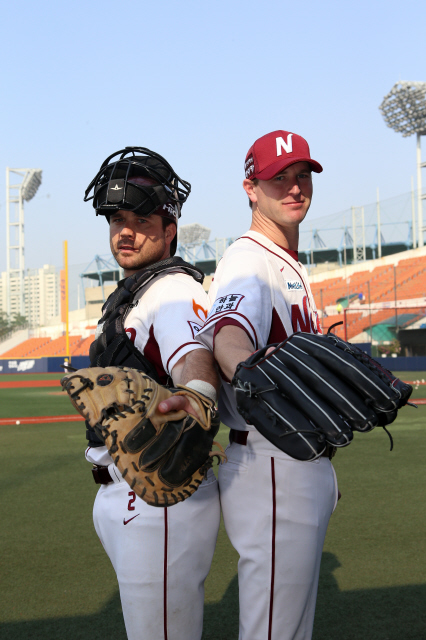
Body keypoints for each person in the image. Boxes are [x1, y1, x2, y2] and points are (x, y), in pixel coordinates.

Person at [196, 130, 339, 640]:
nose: (294, 188)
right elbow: (227, 336)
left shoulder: (285, 261)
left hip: (292, 459)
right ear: (250, 188)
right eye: (279, 179)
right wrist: (250, 368)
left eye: (302, 176)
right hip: (272, 459)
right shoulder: (248, 259)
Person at [83, 147, 220, 640]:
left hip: (156, 496)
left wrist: (197, 393)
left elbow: (193, 359)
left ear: (169, 229)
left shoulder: (170, 290)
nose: (126, 230)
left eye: (142, 218)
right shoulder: (138, 290)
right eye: (118, 218)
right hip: (132, 494)